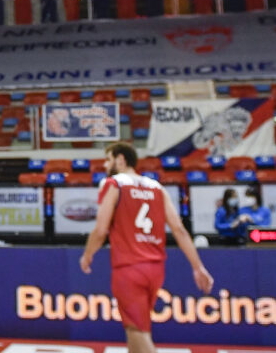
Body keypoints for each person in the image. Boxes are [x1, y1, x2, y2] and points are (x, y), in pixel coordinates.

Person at [79, 142, 214, 353]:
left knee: (137, 333)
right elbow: (179, 229)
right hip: (155, 269)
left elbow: (100, 230)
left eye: (108, 159)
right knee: (137, 329)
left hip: (129, 268)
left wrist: (87, 255)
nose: (105, 165)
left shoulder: (114, 184)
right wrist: (198, 267)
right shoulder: (157, 188)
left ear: (121, 159)